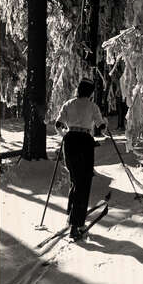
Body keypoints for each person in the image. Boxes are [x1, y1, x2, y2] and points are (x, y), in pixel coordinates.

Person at [55, 78, 107, 240]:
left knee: (75, 180)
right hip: (84, 142)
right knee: (83, 183)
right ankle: (76, 224)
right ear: (90, 92)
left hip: (70, 141)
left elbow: (58, 124)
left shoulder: (69, 104)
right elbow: (100, 125)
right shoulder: (92, 106)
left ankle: (71, 214)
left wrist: (64, 134)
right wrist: (104, 128)